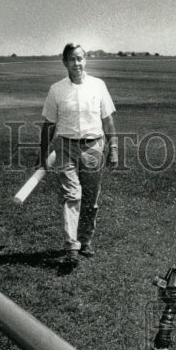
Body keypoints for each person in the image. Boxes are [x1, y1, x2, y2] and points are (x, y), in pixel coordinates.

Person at [40, 43, 118, 268]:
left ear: (86, 60)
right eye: (72, 59)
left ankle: (85, 241)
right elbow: (49, 124)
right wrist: (42, 153)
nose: (77, 64)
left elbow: (108, 120)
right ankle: (71, 245)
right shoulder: (57, 90)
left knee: (91, 200)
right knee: (71, 195)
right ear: (65, 62)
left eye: (81, 59)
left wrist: (113, 148)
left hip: (94, 148)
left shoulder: (98, 85)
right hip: (65, 148)